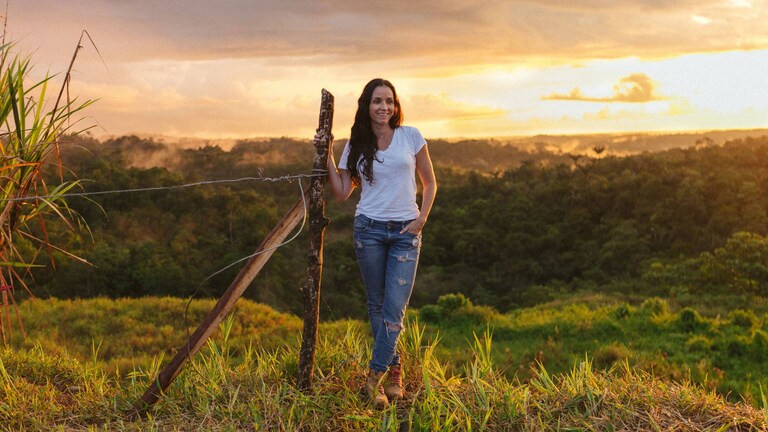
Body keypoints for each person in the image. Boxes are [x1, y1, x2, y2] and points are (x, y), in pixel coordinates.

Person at [324, 78, 437, 408]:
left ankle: (373, 378)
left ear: (396, 105)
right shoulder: (356, 143)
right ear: (366, 105)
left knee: (394, 311)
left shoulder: (411, 136)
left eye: (389, 100)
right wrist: (327, 153)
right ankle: (396, 372)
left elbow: (429, 183)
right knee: (376, 305)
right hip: (369, 230)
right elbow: (342, 192)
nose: (384, 106)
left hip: (406, 232)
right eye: (377, 101)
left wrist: (421, 219)